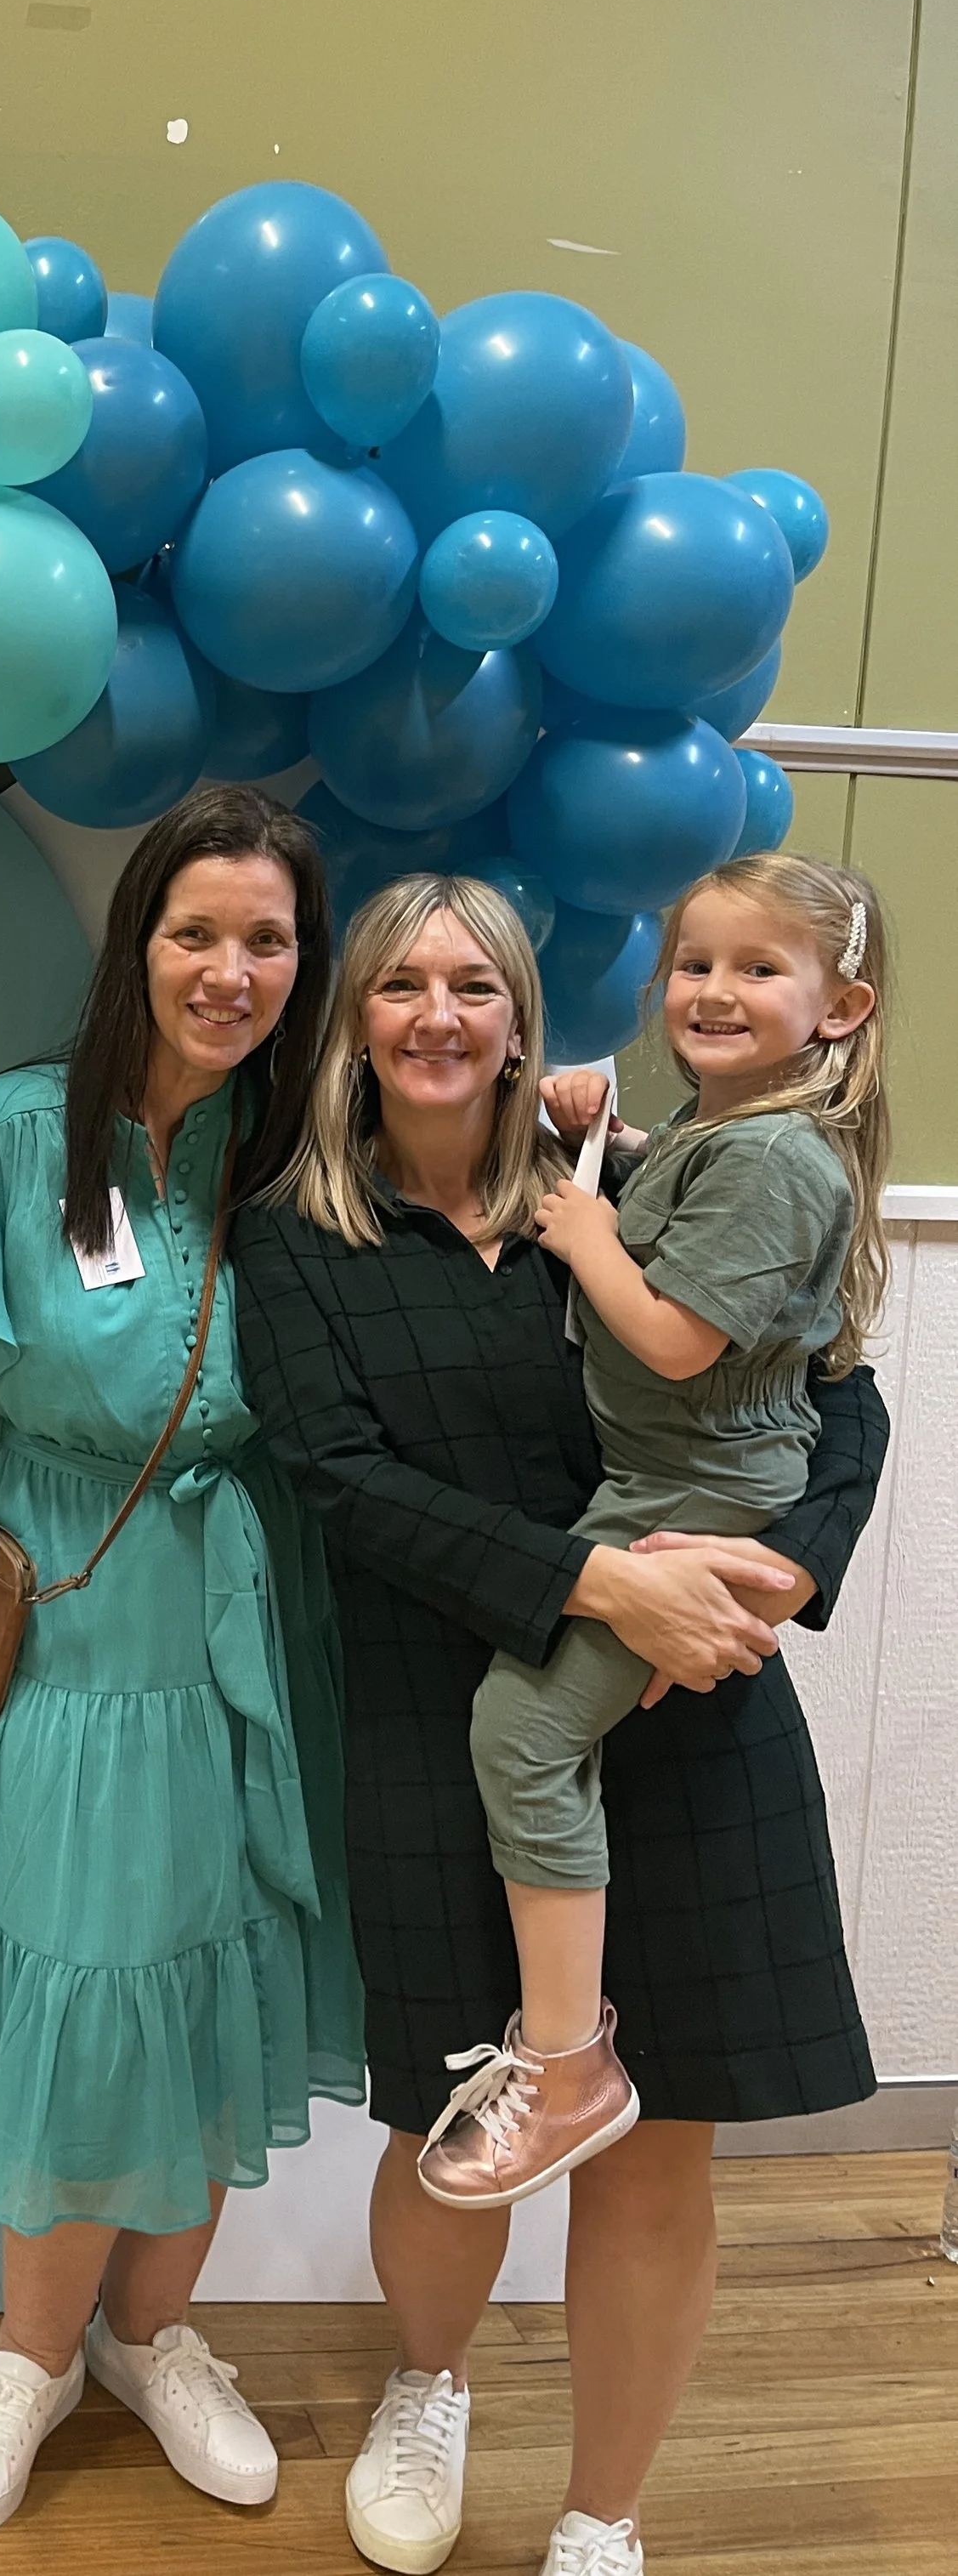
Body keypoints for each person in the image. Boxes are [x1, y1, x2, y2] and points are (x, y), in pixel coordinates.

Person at [233, 873, 886, 2576]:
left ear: (523, 1015)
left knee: (658, 2145)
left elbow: (834, 1397)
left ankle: (604, 2513)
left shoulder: (618, 1185)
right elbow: (337, 1479)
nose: (435, 1015)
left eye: (472, 982)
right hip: (450, 1710)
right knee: (454, 2111)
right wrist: (600, 1595)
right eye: (398, 986)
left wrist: (766, 1588)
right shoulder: (293, 1234)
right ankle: (425, 2382)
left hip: (693, 1705)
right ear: (351, 1020)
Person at [0, 785, 364, 2544]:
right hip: (70, 1635)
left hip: (254, 1624)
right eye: (194, 931)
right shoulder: (8, 1138)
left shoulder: (310, 1147)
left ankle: (156, 2335)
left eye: (265, 938)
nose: (227, 969)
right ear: (133, 943)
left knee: (215, 1984)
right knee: (86, 1993)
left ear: (300, 963)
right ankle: (29, 2355)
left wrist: (577, 1113)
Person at [422, 854, 889, 2212]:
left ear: (841, 1006)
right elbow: (687, 1220)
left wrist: (581, 1231)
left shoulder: (781, 1154)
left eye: (759, 969)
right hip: (667, 1486)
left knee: (522, 1732)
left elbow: (680, 1340)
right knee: (542, 1727)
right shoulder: (719, 1133)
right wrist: (607, 1141)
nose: (715, 990)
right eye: (694, 963)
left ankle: (567, 2064)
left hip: (691, 1494)